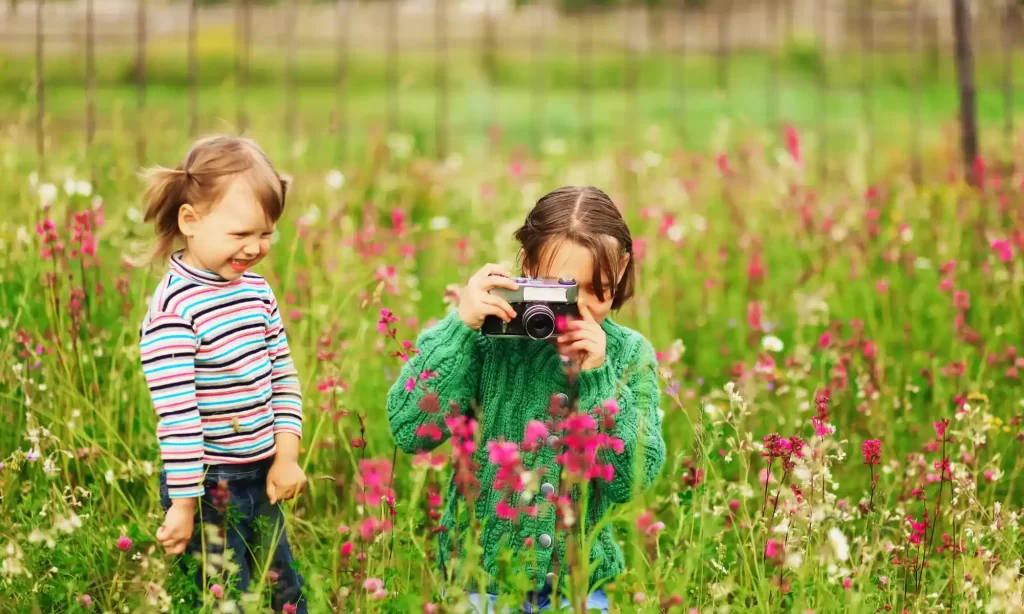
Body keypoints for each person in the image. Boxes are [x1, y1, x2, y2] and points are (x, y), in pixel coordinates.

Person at [386, 186, 666, 612]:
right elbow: (409, 430)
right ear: (528, 267)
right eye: (566, 290)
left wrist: (597, 379)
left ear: (623, 270)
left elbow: (632, 481)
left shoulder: (627, 354)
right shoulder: (487, 340)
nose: (583, 308)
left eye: (600, 290)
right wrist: (459, 326)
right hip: (482, 581)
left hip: (580, 588)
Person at [136, 135, 307, 612]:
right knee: (223, 597)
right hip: (208, 483)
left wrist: (286, 455)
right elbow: (180, 420)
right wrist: (185, 504)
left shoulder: (256, 292)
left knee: (284, 592)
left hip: (261, 472)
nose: (255, 247)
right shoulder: (175, 310)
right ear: (190, 220)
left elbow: (282, 378)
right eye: (241, 234)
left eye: (267, 234)